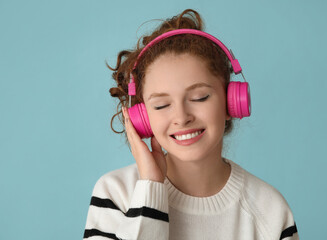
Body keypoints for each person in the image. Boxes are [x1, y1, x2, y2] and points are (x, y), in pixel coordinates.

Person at [83, 9, 299, 240]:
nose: (182, 117)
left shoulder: (270, 211)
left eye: (199, 98)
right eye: (162, 105)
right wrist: (151, 188)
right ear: (143, 118)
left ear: (231, 102)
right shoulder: (115, 194)